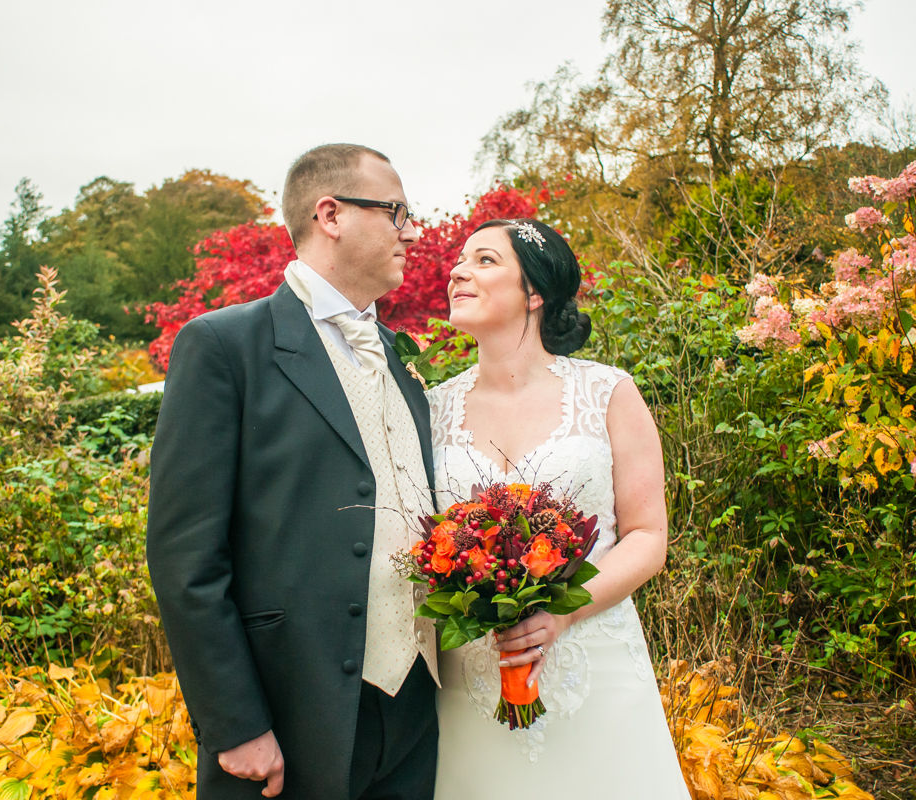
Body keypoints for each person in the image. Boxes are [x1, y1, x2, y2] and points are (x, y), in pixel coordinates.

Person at [146, 143, 441, 800]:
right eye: (396, 212)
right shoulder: (224, 345)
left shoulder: (399, 355)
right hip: (293, 713)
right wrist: (235, 724)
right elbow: (185, 557)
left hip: (418, 706)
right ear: (330, 215)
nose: (412, 232)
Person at [428, 218, 691, 797]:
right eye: (461, 260)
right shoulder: (431, 408)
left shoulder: (609, 392)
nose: (459, 272)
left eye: (485, 260)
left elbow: (648, 535)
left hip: (594, 663)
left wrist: (564, 615)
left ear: (535, 292)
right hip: (473, 674)